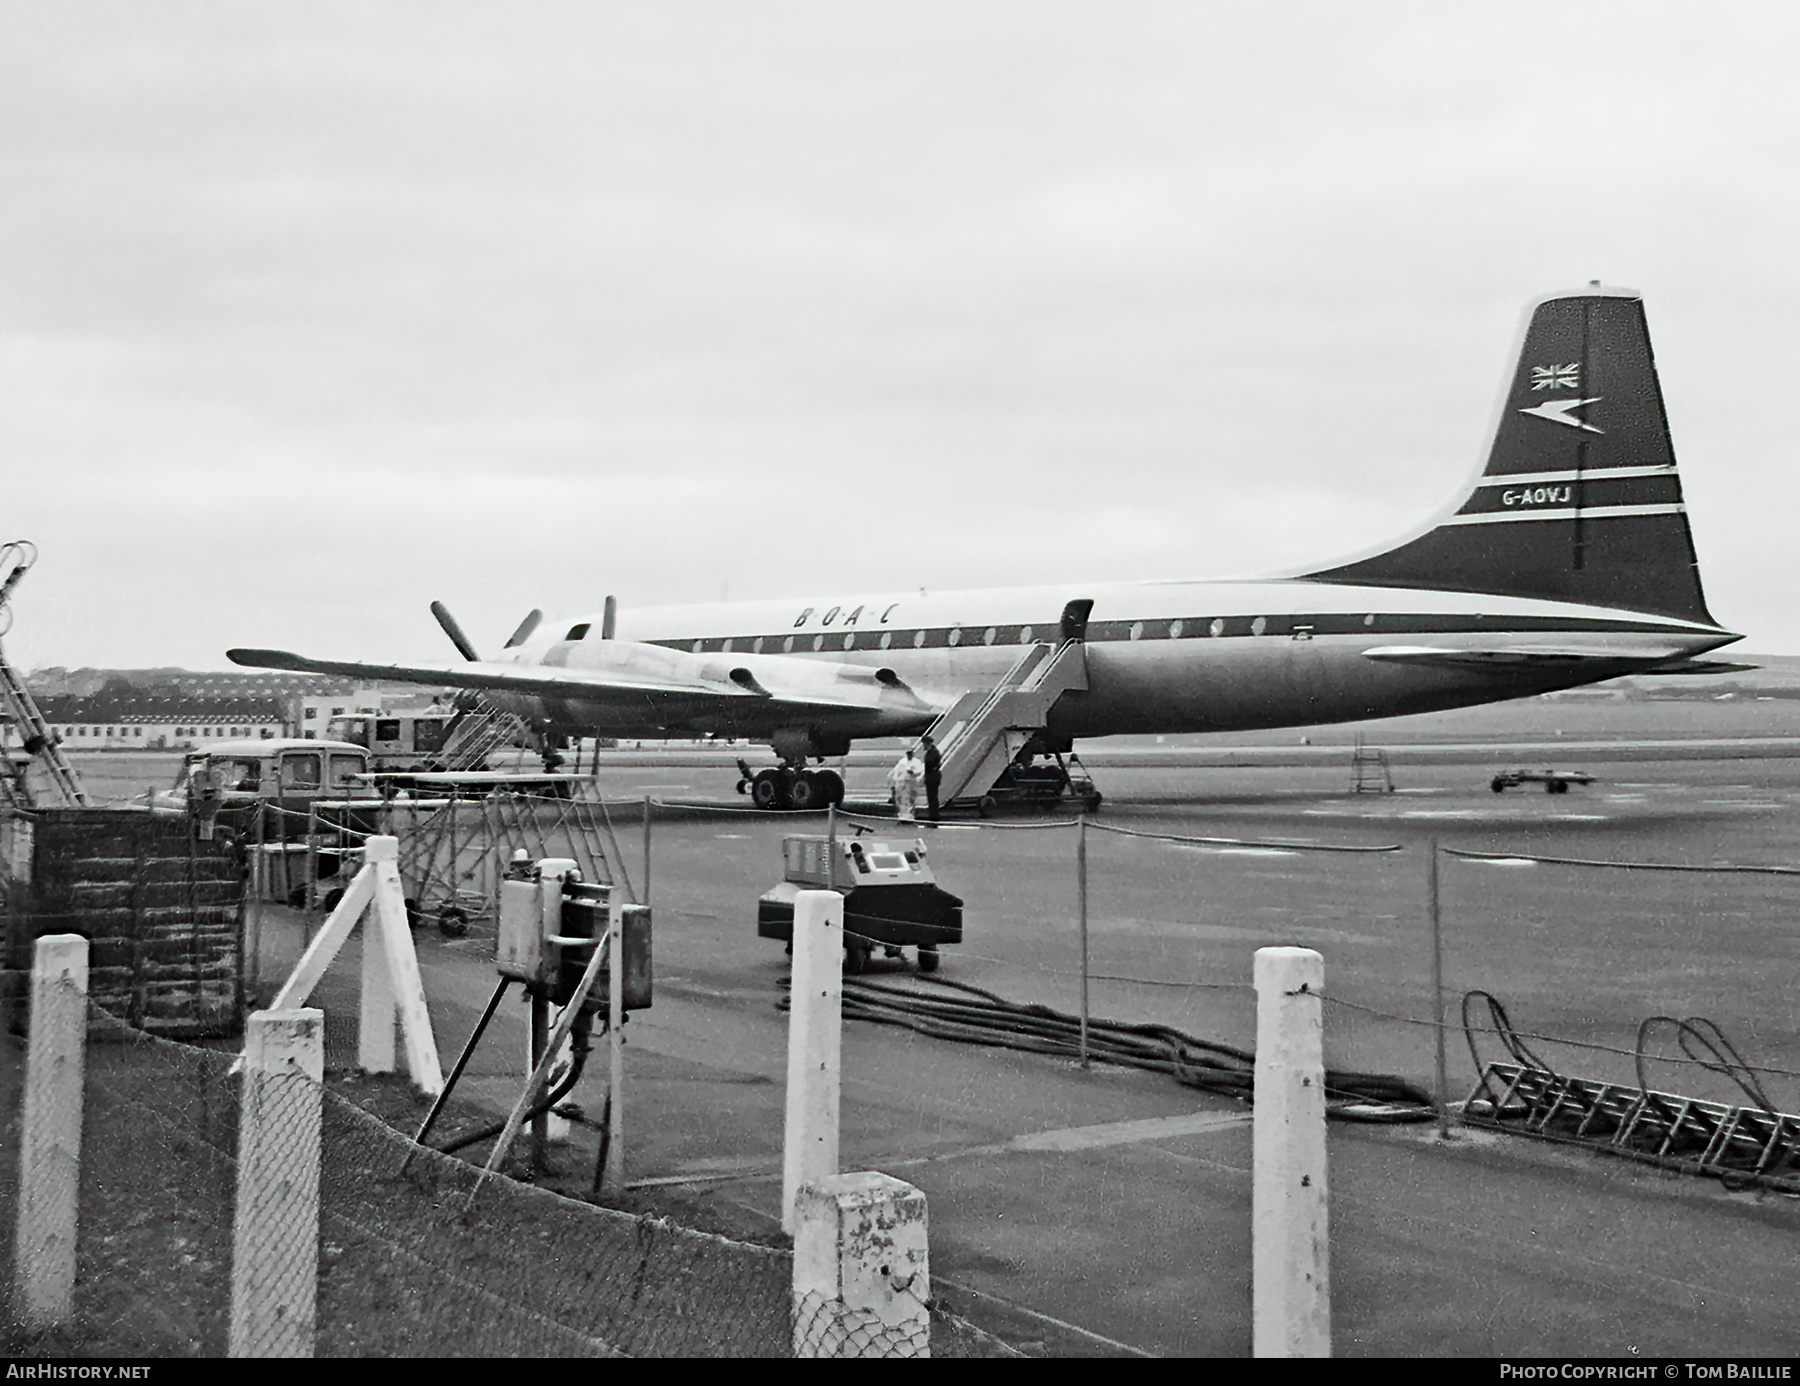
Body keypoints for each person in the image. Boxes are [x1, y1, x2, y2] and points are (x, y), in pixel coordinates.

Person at [887, 747, 924, 823]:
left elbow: (919, 771)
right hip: (902, 783)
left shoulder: (917, 762)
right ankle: (902, 816)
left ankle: (910, 816)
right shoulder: (902, 762)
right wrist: (895, 783)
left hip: (911, 783)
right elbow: (897, 773)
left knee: (911, 800)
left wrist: (913, 773)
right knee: (902, 800)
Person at [920, 734, 942, 821]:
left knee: (933, 796)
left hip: (932, 777)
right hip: (931, 777)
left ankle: (934, 815)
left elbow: (931, 764)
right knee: (932, 796)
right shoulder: (931, 752)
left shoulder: (933, 752)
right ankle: (933, 814)